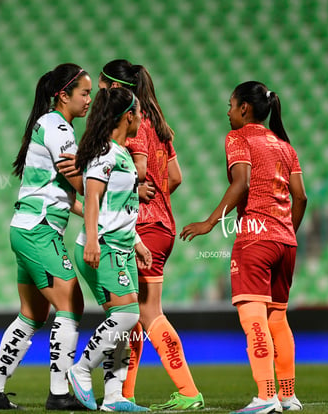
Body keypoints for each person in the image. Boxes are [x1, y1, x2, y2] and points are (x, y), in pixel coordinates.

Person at [180, 81, 307, 414]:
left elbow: (242, 183)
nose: (228, 111)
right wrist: (286, 232)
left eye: (230, 104)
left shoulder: (238, 138)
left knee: (254, 321)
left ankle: (266, 397)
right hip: (285, 242)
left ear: (244, 109)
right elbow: (301, 196)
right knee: (278, 318)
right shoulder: (284, 145)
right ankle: (287, 396)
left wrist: (208, 223)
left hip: (255, 238)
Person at [0, 63, 92, 410]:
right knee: (71, 305)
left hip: (26, 227)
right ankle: (59, 394)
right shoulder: (58, 128)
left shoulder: (50, 125)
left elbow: (56, 191)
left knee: (32, 314)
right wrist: (113, 200)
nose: (89, 100)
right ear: (63, 95)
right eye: (84, 93)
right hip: (40, 230)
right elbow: (76, 179)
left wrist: (92, 211)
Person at [98, 59, 205, 411]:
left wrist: (137, 194)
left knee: (147, 313)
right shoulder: (160, 123)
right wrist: (157, 200)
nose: (99, 91)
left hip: (141, 227)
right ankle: (124, 394)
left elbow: (140, 173)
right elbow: (174, 177)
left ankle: (188, 391)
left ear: (115, 87)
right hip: (163, 225)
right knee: (136, 316)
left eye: (102, 85)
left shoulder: (134, 124)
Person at [66, 87, 152, 412]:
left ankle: (115, 397)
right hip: (102, 247)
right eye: (139, 113)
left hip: (123, 248)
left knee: (127, 322)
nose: (141, 118)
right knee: (127, 315)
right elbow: (92, 199)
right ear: (128, 116)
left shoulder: (122, 153)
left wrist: (139, 244)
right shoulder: (105, 153)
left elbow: (119, 207)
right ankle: (80, 369)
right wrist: (90, 239)